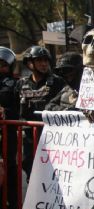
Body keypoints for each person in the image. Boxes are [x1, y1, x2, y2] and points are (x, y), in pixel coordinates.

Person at [15, 46, 66, 180]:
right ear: (29, 63)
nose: (43, 64)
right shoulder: (21, 84)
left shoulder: (57, 82)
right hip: (30, 136)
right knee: (30, 168)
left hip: (52, 135)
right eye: (39, 60)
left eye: (46, 61)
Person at [0, 46, 18, 209]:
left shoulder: (13, 84)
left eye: (3, 65)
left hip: (8, 133)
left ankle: (13, 206)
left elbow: (16, 108)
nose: (0, 68)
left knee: (10, 168)